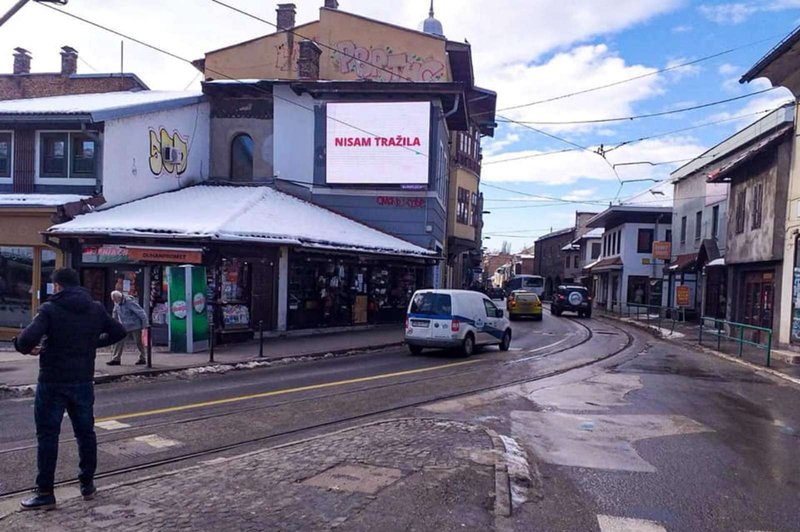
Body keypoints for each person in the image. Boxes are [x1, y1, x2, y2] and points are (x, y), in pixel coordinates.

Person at [12, 268, 126, 511]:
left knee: (47, 436)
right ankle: (87, 484)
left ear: (58, 286)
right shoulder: (95, 308)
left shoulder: (50, 309)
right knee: (85, 433)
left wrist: (26, 348)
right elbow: (119, 331)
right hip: (83, 380)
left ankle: (45, 492)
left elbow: (25, 341)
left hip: (53, 381)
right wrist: (94, 342)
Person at [108, 290, 149, 366]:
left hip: (135, 325)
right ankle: (116, 359)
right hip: (124, 325)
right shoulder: (116, 302)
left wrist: (145, 325)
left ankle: (143, 358)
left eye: (115, 300)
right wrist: (114, 323)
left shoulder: (129, 302)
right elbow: (115, 312)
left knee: (138, 342)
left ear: (119, 298)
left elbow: (141, 312)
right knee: (119, 340)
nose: (114, 302)